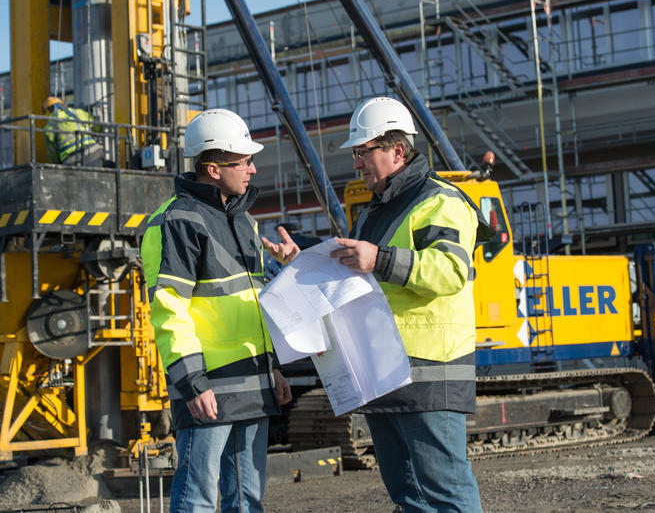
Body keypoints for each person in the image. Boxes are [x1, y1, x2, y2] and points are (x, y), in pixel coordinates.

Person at [266, 97, 493, 512]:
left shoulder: (441, 201)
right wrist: (302, 263)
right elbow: (353, 280)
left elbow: (450, 271)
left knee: (446, 494)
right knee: (409, 497)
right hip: (381, 371)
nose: (357, 163)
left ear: (397, 151)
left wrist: (380, 258)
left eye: (362, 152)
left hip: (428, 371)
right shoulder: (374, 214)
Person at [141, 108, 292, 513]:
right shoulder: (176, 221)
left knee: (247, 500)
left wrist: (273, 366)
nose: (252, 169)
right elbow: (169, 310)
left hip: (253, 383)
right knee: (198, 501)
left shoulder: (244, 222)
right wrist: (192, 383)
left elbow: (253, 304)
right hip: (209, 387)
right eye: (243, 162)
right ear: (212, 168)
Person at [42, 96, 104, 166]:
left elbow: (53, 157)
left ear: (47, 112)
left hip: (72, 161)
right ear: (63, 105)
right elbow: (97, 126)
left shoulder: (48, 128)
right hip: (94, 152)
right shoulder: (77, 112)